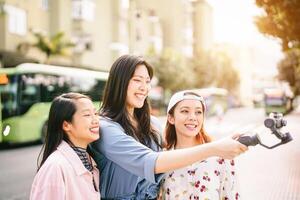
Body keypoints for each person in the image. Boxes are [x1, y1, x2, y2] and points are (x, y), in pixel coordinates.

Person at [90, 55, 247, 200]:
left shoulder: (152, 124)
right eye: (138, 80)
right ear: (120, 82)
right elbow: (150, 161)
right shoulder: (105, 128)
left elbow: (177, 149)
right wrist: (215, 148)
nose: (144, 87)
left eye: (147, 81)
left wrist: (225, 144)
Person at [160, 90, 240, 200]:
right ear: (171, 118)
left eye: (198, 112)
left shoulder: (220, 156)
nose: (193, 117)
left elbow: (231, 195)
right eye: (185, 111)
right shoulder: (162, 160)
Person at [30, 93, 100, 200]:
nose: (96, 120)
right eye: (87, 115)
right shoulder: (55, 167)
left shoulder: (90, 160)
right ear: (66, 125)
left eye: (95, 113)